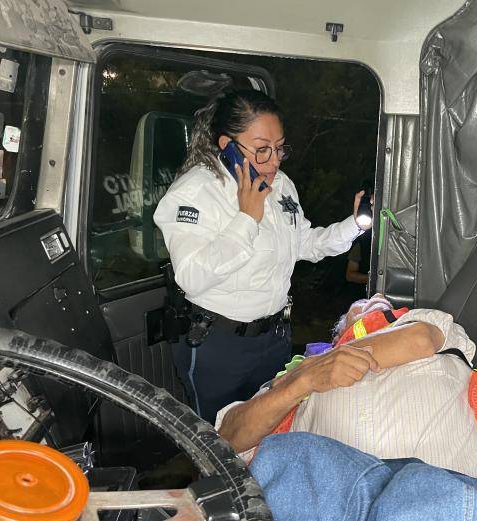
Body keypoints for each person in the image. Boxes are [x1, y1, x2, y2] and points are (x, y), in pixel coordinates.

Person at [214, 295, 477, 521]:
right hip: (329, 502)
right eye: (359, 304)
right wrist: (300, 381)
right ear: (339, 331)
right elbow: (227, 440)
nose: (374, 299)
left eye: (380, 303)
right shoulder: (296, 377)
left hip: (435, 482)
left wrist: (322, 364)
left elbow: (419, 340)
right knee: (288, 456)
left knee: (421, 499)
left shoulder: (423, 322)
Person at [154, 90, 367, 423]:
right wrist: (247, 219)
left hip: (274, 340)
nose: (275, 161)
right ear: (228, 146)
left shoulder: (280, 185)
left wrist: (355, 225)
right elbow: (192, 276)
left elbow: (304, 243)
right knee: (220, 441)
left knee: (271, 429)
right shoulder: (196, 193)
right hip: (218, 346)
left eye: (280, 147)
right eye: (262, 149)